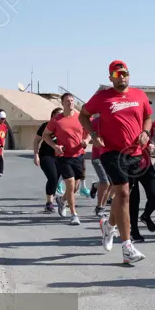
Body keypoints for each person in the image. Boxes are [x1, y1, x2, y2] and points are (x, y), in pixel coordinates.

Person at [80, 60, 149, 265]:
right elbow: (84, 115)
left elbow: (148, 117)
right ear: (111, 78)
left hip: (135, 152)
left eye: (125, 73)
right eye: (117, 74)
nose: (122, 77)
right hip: (110, 151)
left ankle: (109, 226)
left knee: (121, 197)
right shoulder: (102, 97)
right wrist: (93, 134)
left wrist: (145, 132)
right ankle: (127, 246)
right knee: (124, 194)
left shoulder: (139, 95)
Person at [44, 93, 89, 226]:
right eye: (67, 101)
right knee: (69, 184)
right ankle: (74, 214)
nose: (70, 102)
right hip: (63, 156)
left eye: (71, 100)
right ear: (62, 103)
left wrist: (86, 140)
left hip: (79, 155)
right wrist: (55, 146)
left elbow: (89, 134)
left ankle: (62, 200)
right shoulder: (57, 120)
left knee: (74, 188)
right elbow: (45, 135)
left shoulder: (80, 118)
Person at [129, 137, 155, 243]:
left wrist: (152, 146)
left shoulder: (146, 125)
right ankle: (134, 230)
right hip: (128, 165)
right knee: (134, 199)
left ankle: (146, 216)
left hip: (145, 165)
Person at [33, 108, 62, 213]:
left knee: (56, 178)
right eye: (58, 115)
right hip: (46, 155)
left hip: (60, 156)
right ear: (53, 115)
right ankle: (49, 203)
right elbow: (36, 140)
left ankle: (52, 201)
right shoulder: (46, 126)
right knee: (53, 177)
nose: (60, 117)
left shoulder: (64, 126)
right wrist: (36, 155)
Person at [89, 113, 111, 218]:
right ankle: (99, 207)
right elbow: (87, 137)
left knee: (110, 183)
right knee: (105, 182)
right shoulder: (95, 122)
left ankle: (96, 186)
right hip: (98, 157)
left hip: (111, 157)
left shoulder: (114, 121)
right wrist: (95, 139)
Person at [0, 109, 9, 178]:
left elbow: (4, 139)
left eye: (4, 119)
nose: (3, 120)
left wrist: (2, 150)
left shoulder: (5, 127)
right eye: (2, 119)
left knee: (0, 172)